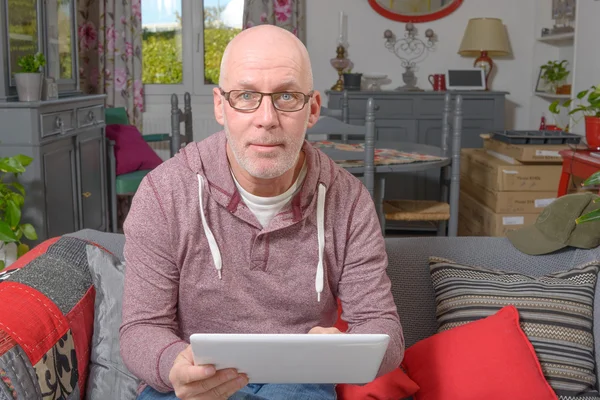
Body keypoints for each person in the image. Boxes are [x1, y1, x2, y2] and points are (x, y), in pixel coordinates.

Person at [120, 24, 404, 400]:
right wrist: (175, 363)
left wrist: (345, 349)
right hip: (193, 385)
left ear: (313, 109)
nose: (266, 118)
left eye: (286, 96)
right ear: (221, 106)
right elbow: (140, 328)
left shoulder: (348, 200)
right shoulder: (163, 193)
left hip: (300, 384)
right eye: (246, 96)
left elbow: (385, 330)